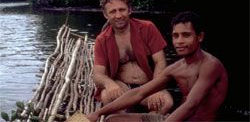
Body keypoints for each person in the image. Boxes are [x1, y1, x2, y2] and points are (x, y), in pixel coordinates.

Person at [87, 11, 228, 122]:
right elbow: (139, 93)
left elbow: (191, 105)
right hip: (174, 119)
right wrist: (97, 113)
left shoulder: (210, 65)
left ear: (200, 37)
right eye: (175, 36)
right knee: (112, 120)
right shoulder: (176, 68)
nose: (179, 41)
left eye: (186, 35)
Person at [92, 0, 173, 116]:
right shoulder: (102, 40)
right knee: (106, 96)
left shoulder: (147, 28)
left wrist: (154, 88)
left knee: (167, 102)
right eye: (113, 11)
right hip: (122, 87)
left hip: (148, 85)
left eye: (122, 10)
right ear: (105, 14)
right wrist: (110, 84)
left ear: (130, 9)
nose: (118, 15)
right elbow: (97, 74)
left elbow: (160, 61)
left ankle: (145, 117)